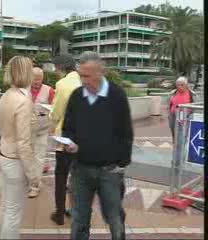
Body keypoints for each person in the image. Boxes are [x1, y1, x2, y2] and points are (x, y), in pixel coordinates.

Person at [62, 52, 133, 240]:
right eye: (80, 75)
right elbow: (67, 128)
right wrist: (69, 143)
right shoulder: (77, 96)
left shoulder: (116, 95)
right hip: (80, 169)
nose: (83, 80)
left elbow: (126, 132)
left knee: (114, 218)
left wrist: (121, 164)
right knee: (79, 218)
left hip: (109, 171)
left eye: (86, 76)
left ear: (100, 72)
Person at [0, 56, 39, 239]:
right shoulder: (23, 101)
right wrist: (33, 175)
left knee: (6, 207)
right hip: (16, 161)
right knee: (13, 212)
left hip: (4, 154)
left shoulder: (6, 95)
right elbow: (24, 142)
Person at [49, 54, 81, 225]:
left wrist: (51, 117)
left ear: (61, 67)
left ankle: (60, 213)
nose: (54, 71)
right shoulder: (85, 81)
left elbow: (57, 112)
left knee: (61, 175)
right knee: (79, 177)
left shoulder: (63, 84)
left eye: (55, 67)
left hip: (66, 137)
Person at [28, 67, 55, 198]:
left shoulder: (49, 91)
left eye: (40, 79)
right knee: (26, 157)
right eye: (35, 79)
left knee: (39, 159)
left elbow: (55, 109)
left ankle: (35, 186)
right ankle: (27, 182)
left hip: (42, 131)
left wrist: (52, 126)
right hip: (25, 131)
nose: (37, 82)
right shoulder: (23, 90)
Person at [168, 76, 197, 141]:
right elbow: (169, 104)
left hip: (185, 117)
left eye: (182, 85)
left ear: (186, 85)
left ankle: (180, 150)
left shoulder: (191, 94)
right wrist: (169, 114)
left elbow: (195, 107)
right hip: (173, 116)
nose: (179, 87)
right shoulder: (173, 93)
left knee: (182, 136)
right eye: (177, 85)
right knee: (175, 135)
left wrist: (190, 116)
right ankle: (175, 148)